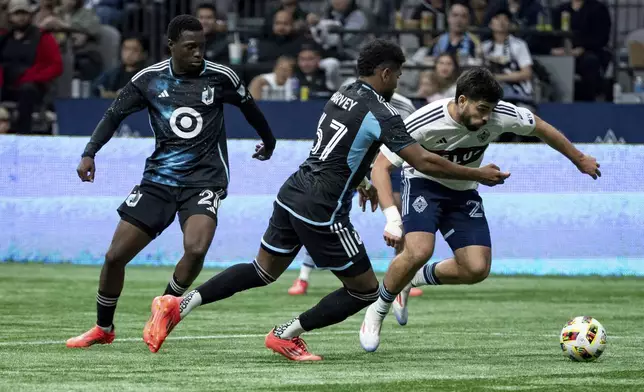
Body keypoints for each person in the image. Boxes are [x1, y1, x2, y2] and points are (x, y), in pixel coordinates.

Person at [141, 39, 510, 361]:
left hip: (293, 191)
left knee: (262, 270)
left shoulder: (343, 92)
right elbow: (424, 160)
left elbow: (346, 145)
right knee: (365, 290)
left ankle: (177, 304)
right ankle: (285, 335)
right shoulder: (381, 112)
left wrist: (364, 179)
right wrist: (479, 174)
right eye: (397, 75)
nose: (398, 82)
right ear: (384, 73)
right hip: (323, 209)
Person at [66, 15, 277, 348]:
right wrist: (89, 153)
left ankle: (165, 308)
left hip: (205, 179)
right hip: (159, 181)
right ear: (172, 46)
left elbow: (250, 109)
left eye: (202, 47)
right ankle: (103, 328)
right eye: (190, 47)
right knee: (114, 257)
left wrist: (269, 140)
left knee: (196, 248)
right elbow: (114, 114)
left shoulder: (221, 77)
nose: (198, 54)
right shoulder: (148, 80)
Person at [359, 67, 601, 352]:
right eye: (482, 109)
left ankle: (411, 278)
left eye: (491, 110)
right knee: (419, 250)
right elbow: (381, 166)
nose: (487, 117)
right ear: (462, 100)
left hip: (463, 192)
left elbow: (540, 127)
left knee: (476, 269)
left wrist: (580, 158)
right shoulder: (425, 120)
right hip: (424, 185)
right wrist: (392, 218)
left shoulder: (500, 114)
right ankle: (376, 312)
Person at [287, 91, 424, 297]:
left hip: (387, 165)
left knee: (399, 213)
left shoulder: (404, 105)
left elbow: (411, 139)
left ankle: (401, 278)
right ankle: (303, 277)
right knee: (324, 214)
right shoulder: (352, 96)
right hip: (351, 162)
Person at [0, 0, 63, 134]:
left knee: (27, 89)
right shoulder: (4, 38)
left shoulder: (42, 37)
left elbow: (56, 66)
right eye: (17, 14)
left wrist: (31, 77)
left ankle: (23, 133)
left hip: (33, 85)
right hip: (7, 83)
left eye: (25, 13)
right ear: (10, 16)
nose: (21, 17)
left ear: (31, 15)